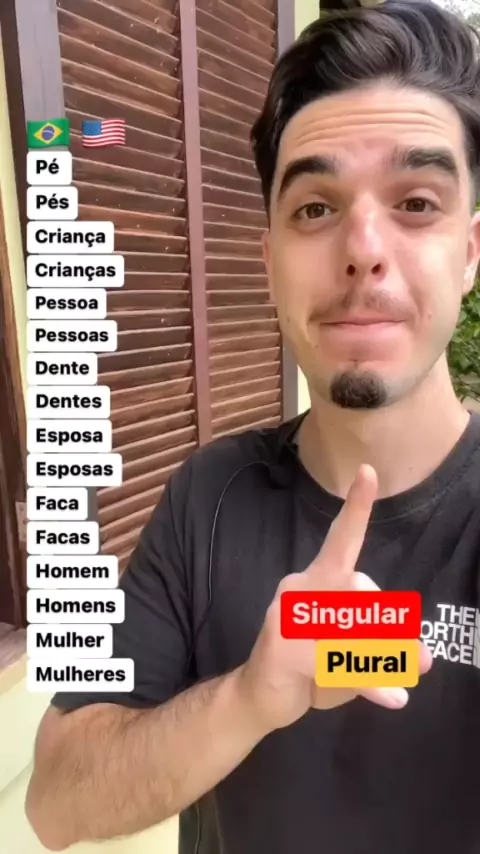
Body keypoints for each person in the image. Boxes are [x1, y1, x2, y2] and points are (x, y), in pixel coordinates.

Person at [25, 1, 480, 852]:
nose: (363, 248)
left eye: (417, 202)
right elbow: (56, 802)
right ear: (270, 262)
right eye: (315, 209)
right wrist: (248, 698)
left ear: (471, 251)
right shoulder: (208, 500)